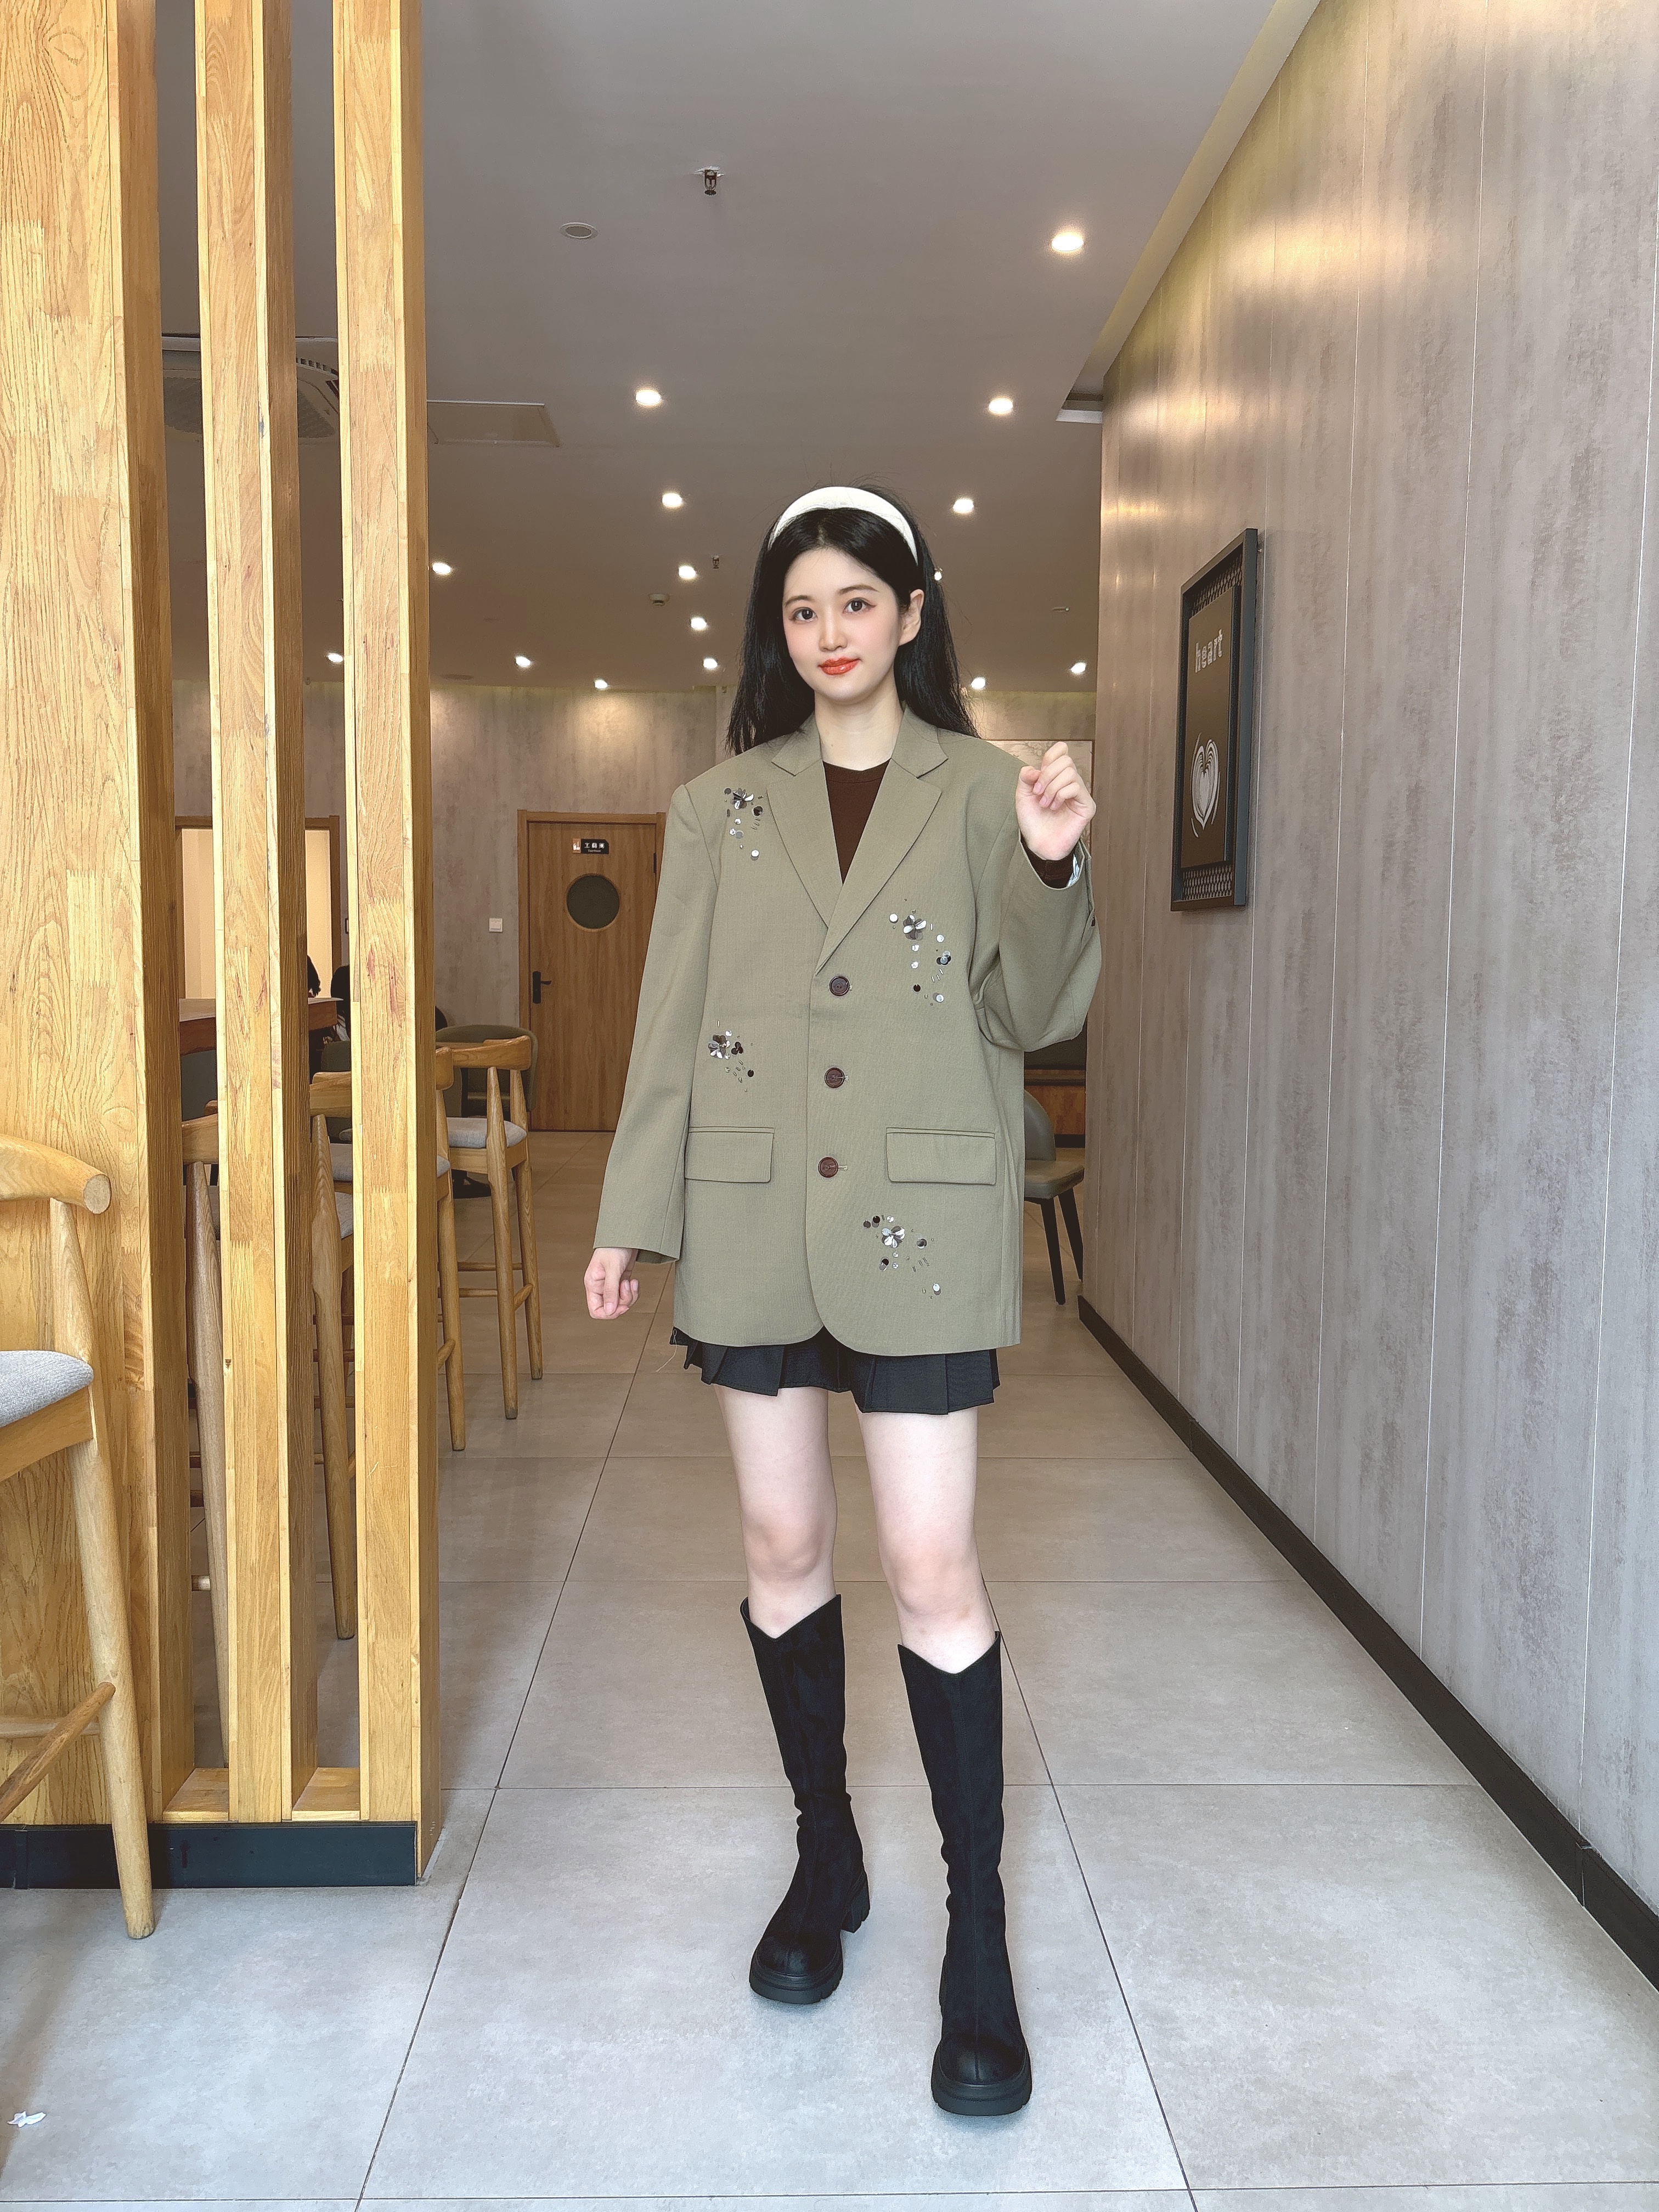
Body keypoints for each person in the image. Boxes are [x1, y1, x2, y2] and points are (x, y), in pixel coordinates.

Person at [585, 485, 1098, 2117]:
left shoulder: (991, 789)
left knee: (935, 1567)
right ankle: (828, 1861)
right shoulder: (717, 807)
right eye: (801, 609)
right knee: (783, 1546)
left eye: (856, 603)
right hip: (752, 1213)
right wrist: (630, 1216)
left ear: (912, 613)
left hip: (922, 1216)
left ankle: (978, 1935)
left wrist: (1052, 863)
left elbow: (1038, 1008)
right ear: (780, 632)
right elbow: (670, 1022)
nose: (828, 633)